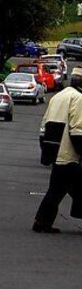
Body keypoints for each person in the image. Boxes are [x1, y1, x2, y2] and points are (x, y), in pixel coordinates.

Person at [33, 68, 82, 233]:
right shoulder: (79, 98)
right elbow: (77, 130)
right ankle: (41, 222)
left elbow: (44, 124)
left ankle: (41, 222)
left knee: (57, 189)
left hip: (55, 150)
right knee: (65, 188)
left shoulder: (58, 96)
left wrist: (45, 152)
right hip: (69, 153)